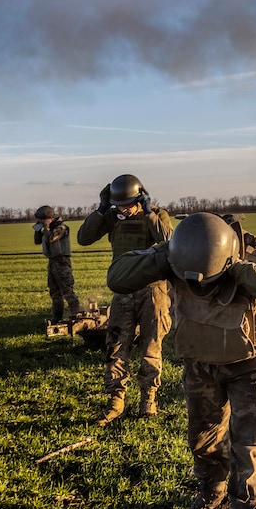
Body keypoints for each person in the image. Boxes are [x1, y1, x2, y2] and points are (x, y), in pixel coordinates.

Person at [106, 212, 256, 509]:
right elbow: (117, 277)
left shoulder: (254, 251)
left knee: (249, 449)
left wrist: (238, 268)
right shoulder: (179, 252)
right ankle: (213, 493)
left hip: (251, 367)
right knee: (203, 438)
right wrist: (165, 257)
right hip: (201, 366)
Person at [77, 174, 174, 426]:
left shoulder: (157, 215)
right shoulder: (111, 217)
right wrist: (100, 211)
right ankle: (115, 401)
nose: (123, 209)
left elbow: (170, 242)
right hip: (123, 293)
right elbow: (83, 238)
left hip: (153, 292)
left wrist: (150, 213)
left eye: (128, 204)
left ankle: (148, 399)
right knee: (116, 347)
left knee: (151, 348)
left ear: (140, 198)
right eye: (118, 205)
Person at [33, 205, 82, 322]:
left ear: (48, 218)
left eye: (41, 219)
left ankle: (78, 316)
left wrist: (47, 227)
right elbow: (37, 241)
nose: (39, 221)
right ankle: (57, 318)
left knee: (67, 291)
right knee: (55, 292)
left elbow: (51, 238)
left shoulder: (61, 228)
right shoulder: (48, 229)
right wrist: (38, 231)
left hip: (62, 262)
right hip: (52, 262)